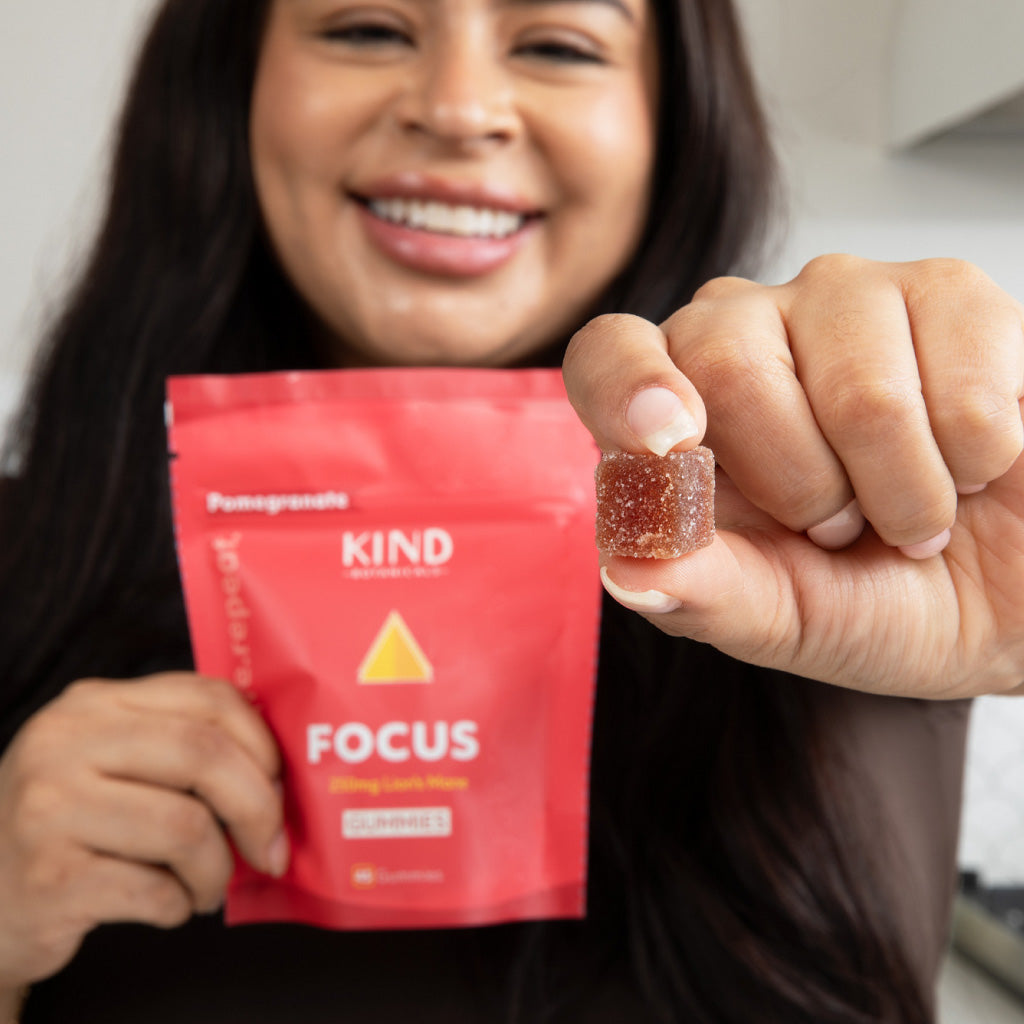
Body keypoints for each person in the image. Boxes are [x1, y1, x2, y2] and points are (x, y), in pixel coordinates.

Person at [0, 0, 1021, 1019]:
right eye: (364, 29)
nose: (456, 109)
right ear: (228, 86)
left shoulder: (858, 535)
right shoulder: (27, 559)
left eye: (557, 44)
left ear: (673, 126)